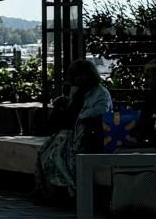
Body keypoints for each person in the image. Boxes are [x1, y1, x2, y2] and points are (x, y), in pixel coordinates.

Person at [35, 59, 113, 201]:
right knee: (48, 151)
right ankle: (54, 189)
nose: (79, 78)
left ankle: (68, 189)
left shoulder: (101, 93)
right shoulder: (76, 92)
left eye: (82, 75)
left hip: (90, 135)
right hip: (72, 133)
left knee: (59, 151)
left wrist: (80, 114)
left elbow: (99, 113)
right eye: (76, 75)